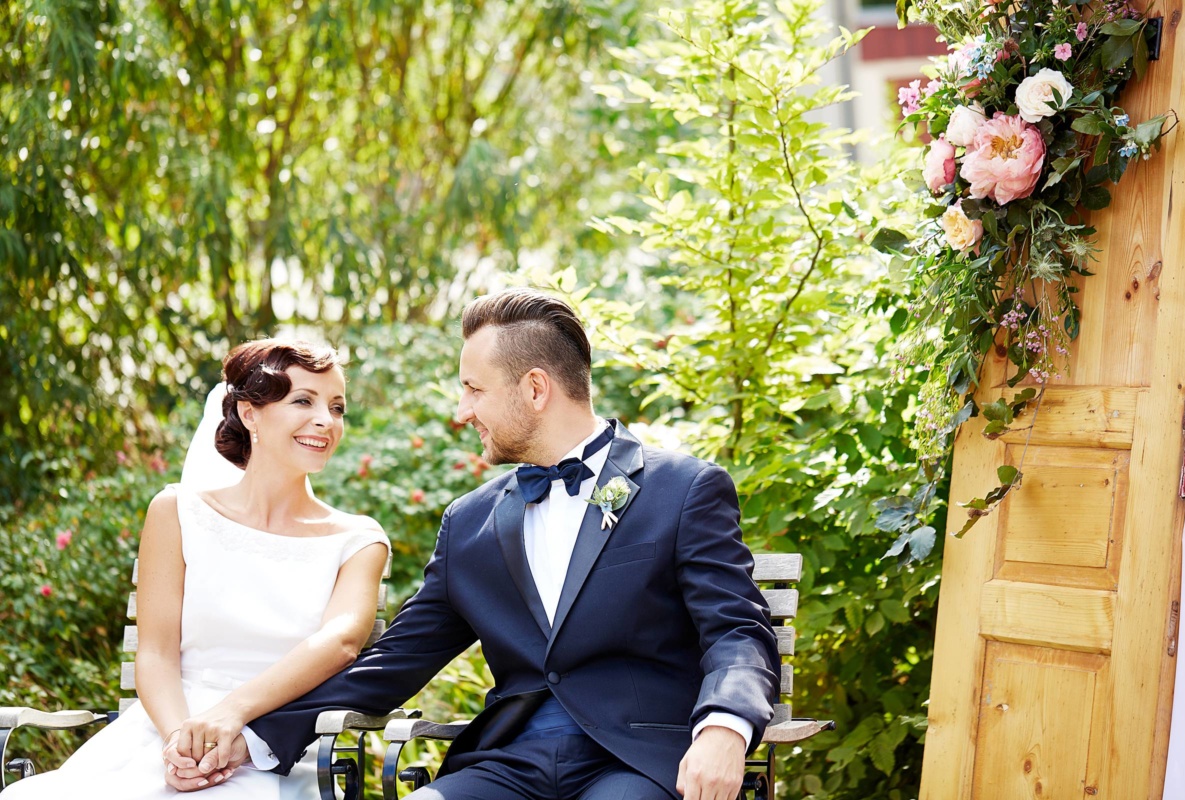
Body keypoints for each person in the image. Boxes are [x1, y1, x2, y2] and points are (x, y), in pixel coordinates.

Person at [177, 289, 780, 800]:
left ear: (536, 388)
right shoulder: (471, 522)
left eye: (475, 389)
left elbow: (736, 630)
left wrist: (724, 728)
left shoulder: (682, 489)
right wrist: (255, 733)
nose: (462, 410)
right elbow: (395, 661)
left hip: (640, 760)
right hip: (510, 762)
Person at [3, 339, 390, 799]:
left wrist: (232, 716)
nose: (326, 421)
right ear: (250, 414)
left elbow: (342, 643)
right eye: (302, 401)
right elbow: (156, 655)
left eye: (337, 407)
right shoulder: (176, 512)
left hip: (269, 744)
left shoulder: (358, 540)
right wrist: (177, 742)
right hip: (164, 730)